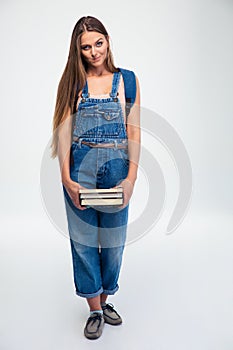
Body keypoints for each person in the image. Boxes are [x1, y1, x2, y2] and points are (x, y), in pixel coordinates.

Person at [51, 15, 140, 340]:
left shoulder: (127, 81)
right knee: (85, 242)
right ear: (78, 50)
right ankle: (94, 309)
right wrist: (66, 178)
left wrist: (130, 178)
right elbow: (62, 133)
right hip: (80, 169)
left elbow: (133, 132)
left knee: (113, 244)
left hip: (117, 166)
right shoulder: (72, 83)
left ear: (108, 40)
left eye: (98, 43)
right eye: (85, 47)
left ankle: (104, 299)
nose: (93, 52)